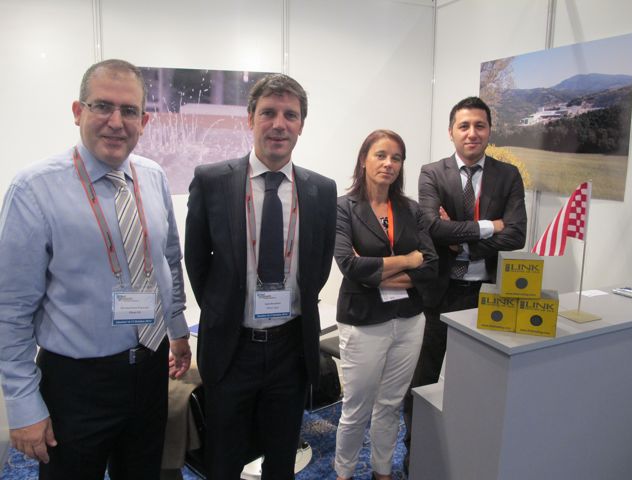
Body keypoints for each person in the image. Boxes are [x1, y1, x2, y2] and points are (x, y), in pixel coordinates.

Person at [0, 59, 192, 479]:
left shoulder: (153, 176)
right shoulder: (33, 189)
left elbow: (168, 261)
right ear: (77, 111)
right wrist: (22, 402)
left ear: (144, 121)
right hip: (77, 382)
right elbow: (10, 310)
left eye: (129, 111)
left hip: (150, 368)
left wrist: (177, 329)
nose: (116, 122)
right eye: (102, 106)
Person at [184, 73, 337, 480]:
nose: (279, 124)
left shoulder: (321, 190)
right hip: (232, 348)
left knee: (281, 460)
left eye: (290, 115)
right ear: (250, 118)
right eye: (268, 112)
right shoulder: (212, 181)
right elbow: (196, 260)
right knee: (223, 461)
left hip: (291, 349)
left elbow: (319, 266)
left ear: (301, 125)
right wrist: (223, 308)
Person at [402, 96, 527, 471]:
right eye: (464, 126)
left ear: (489, 130)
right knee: (425, 375)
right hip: (440, 293)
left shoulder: (508, 175)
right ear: (451, 132)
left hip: (487, 294)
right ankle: (414, 447)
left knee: (480, 379)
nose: (472, 133)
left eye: (479, 125)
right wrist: (490, 226)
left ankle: (471, 450)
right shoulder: (432, 173)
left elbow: (517, 234)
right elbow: (430, 227)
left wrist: (460, 240)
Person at [333, 129, 438, 480]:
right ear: (364, 159)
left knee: (391, 403)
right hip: (363, 322)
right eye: (380, 155)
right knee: (356, 408)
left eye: (396, 158)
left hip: (409, 319)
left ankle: (382, 471)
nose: (388, 163)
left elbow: (431, 266)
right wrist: (408, 260)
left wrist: (377, 274)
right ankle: (344, 472)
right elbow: (349, 265)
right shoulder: (343, 208)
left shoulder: (411, 209)